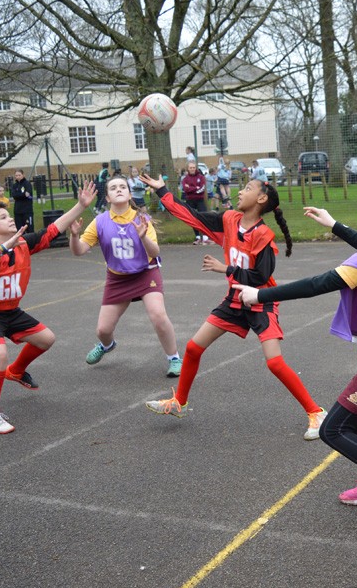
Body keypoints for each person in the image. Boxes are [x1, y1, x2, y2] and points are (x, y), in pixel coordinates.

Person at [233, 185, 357, 530]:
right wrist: (334, 225)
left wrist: (259, 293)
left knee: (333, 428)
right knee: (349, 422)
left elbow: (318, 283)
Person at [139, 172, 327, 440]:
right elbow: (192, 215)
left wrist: (225, 268)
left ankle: (316, 412)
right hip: (236, 300)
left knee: (274, 363)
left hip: (261, 301)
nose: (240, 191)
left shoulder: (264, 235)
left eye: (247, 188)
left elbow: (261, 277)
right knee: (193, 348)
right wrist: (162, 191)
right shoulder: (229, 221)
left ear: (261, 198)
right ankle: (178, 402)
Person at [0, 180, 97, 434]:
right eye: (4, 217)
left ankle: (16, 371)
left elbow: (54, 228)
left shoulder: (24, 243)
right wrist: (4, 247)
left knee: (46, 339)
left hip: (9, 311)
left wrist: (80, 206)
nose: (11, 218)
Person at [69, 174, 183, 378]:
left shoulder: (141, 219)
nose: (119, 189)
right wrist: (75, 236)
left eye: (123, 186)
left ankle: (174, 358)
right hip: (118, 278)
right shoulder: (100, 222)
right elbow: (79, 250)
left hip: (145, 273)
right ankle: (107, 345)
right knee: (103, 330)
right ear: (108, 198)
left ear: (130, 194)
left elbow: (155, 252)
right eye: (113, 188)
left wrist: (142, 237)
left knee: (158, 315)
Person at [180, 161, 211, 245]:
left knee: (203, 217)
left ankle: (205, 237)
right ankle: (197, 237)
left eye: (194, 167)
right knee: (192, 218)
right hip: (190, 200)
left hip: (200, 200)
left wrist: (191, 188)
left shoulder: (201, 177)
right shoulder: (185, 179)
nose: (192, 169)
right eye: (191, 168)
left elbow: (202, 189)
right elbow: (185, 190)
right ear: (188, 169)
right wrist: (195, 188)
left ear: (196, 168)